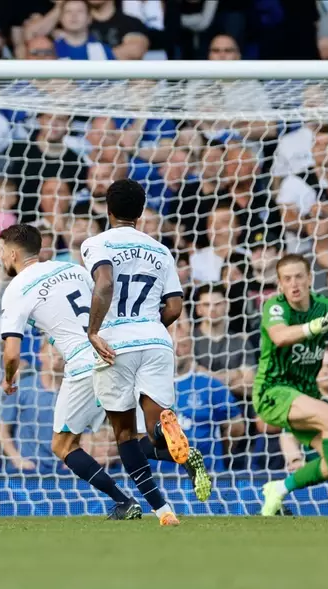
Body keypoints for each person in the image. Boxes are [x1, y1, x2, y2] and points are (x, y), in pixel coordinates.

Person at [0, 223, 140, 519]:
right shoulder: (73, 269)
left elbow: (12, 352)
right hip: (112, 352)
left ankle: (123, 502)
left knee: (62, 445)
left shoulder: (16, 289)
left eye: (0, 252)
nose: (0, 258)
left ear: (11, 253)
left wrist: (9, 379)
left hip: (82, 364)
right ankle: (171, 443)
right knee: (125, 433)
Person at [82, 179, 204, 526]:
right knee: (153, 430)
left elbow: (104, 283)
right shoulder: (160, 250)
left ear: (108, 209)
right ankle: (175, 443)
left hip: (114, 343)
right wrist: (149, 326)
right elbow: (176, 306)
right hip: (155, 339)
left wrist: (93, 331)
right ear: (141, 212)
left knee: (124, 435)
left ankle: (164, 512)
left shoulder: (97, 242)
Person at [255, 254, 328, 517]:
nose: (294, 284)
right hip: (273, 390)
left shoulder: (325, 307)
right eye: (287, 279)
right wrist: (316, 326)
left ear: (310, 278)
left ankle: (279, 488)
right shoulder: (275, 307)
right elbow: (280, 337)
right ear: (280, 284)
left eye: (299, 276)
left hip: (304, 392)